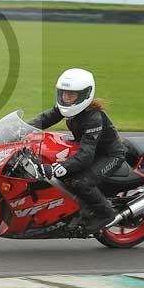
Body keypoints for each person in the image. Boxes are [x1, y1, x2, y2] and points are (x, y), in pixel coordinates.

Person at [28, 68, 125, 234]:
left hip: (109, 155)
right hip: (88, 148)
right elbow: (44, 119)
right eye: (64, 93)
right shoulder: (66, 107)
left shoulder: (93, 118)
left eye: (71, 95)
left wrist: (56, 168)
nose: (66, 98)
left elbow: (86, 156)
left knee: (82, 182)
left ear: (84, 95)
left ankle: (106, 214)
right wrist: (21, 129)